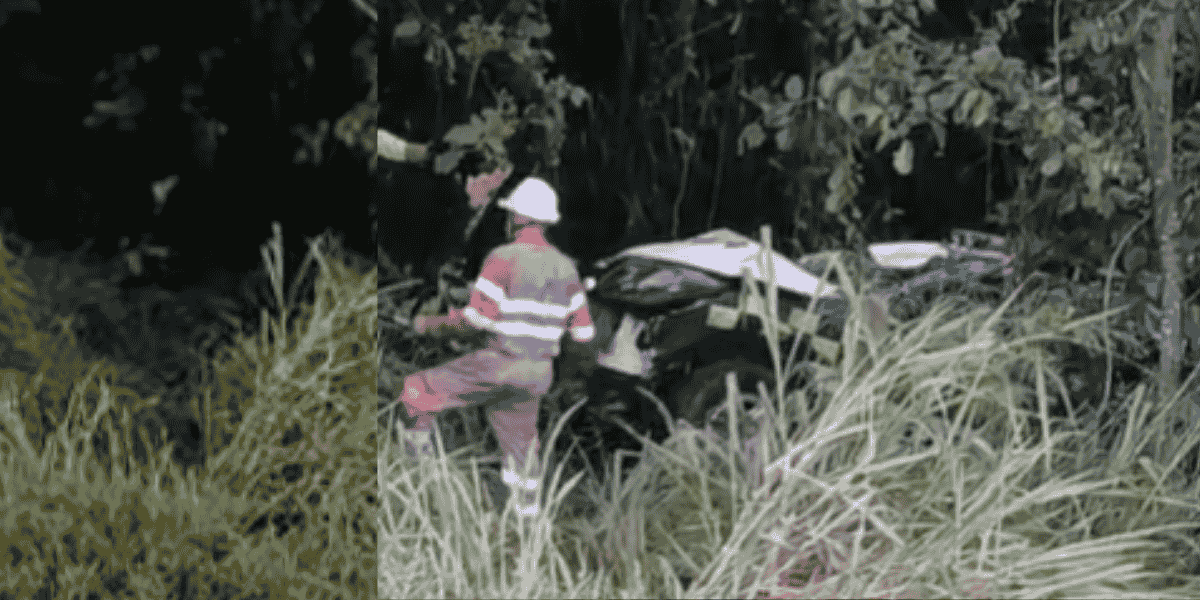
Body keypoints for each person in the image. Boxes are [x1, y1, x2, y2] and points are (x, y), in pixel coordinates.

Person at [396, 175, 595, 518]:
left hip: (501, 362)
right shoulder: (568, 269)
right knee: (521, 456)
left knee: (417, 392)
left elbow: (477, 321)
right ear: (547, 222)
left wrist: (428, 325)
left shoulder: (502, 258)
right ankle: (526, 528)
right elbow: (583, 336)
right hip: (538, 374)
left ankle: (423, 492)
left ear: (515, 218)